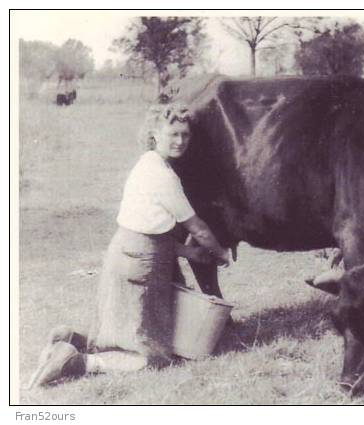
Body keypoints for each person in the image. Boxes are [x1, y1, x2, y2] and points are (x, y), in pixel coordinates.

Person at [28, 103, 230, 389]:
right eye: (173, 134)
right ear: (154, 135)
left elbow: (149, 228)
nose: (180, 141)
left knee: (122, 332)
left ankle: (68, 337)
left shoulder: (145, 164)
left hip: (122, 251)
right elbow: (196, 227)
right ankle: (77, 362)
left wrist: (187, 252)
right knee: (153, 356)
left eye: (185, 135)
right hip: (144, 263)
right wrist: (220, 253)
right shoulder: (165, 176)